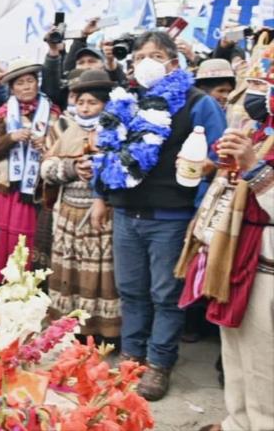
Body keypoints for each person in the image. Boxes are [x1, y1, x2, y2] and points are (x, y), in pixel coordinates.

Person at [91, 31, 226, 401]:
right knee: (131, 290)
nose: (144, 63)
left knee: (165, 295)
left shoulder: (198, 102)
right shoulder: (126, 101)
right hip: (126, 213)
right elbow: (107, 153)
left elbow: (220, 160)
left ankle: (159, 362)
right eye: (138, 58)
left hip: (171, 217)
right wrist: (100, 197)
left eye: (153, 56)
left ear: (172, 62)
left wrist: (201, 208)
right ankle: (132, 356)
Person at [179, 43, 274, 431]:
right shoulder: (262, 129)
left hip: (267, 263)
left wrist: (253, 166)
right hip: (240, 254)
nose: (255, 95)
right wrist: (214, 167)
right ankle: (238, 421)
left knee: (264, 363)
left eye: (263, 86)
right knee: (237, 353)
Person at [41, 69, 120, 342]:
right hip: (68, 213)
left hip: (103, 216)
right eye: (81, 101)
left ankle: (103, 331)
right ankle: (68, 328)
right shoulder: (63, 127)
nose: (85, 108)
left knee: (100, 272)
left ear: (105, 104)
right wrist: (72, 168)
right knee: (69, 268)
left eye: (93, 103)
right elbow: (45, 168)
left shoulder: (117, 130)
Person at [0, 59, 61, 285]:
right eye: (20, 83)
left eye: (30, 81)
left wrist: (47, 144)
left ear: (37, 83)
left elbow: (61, 145)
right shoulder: (2, 114)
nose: (26, 87)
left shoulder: (52, 112)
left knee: (27, 236)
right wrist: (10, 138)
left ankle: (25, 283)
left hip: (35, 189)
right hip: (6, 186)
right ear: (12, 88)